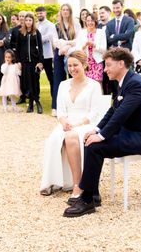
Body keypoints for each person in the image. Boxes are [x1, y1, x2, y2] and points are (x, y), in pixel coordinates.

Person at [62, 48, 141, 217]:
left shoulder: (135, 84)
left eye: (108, 65)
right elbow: (112, 111)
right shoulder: (125, 81)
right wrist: (96, 129)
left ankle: (87, 199)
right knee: (90, 140)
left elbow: (121, 116)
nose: (105, 69)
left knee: (95, 146)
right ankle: (92, 193)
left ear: (121, 64)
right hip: (131, 133)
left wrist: (101, 136)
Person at [41, 51, 103, 197]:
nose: (72, 69)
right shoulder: (63, 85)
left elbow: (94, 113)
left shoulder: (94, 85)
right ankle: (54, 180)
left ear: (84, 65)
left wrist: (77, 124)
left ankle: (78, 183)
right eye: (69, 66)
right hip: (67, 122)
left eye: (75, 65)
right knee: (53, 140)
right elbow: (61, 111)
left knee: (70, 137)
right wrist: (64, 122)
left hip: (86, 123)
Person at [53, 4, 79, 113]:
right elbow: (55, 41)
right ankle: (56, 107)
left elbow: (77, 40)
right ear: (61, 11)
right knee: (58, 80)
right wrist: (65, 45)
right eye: (63, 10)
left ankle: (73, 106)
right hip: (59, 54)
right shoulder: (56, 25)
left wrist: (67, 45)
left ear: (70, 11)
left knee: (73, 79)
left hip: (72, 54)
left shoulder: (76, 25)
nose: (65, 12)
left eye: (67, 10)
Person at [18, 12, 44, 113]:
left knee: (35, 82)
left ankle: (37, 102)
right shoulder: (21, 33)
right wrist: (19, 61)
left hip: (35, 62)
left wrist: (40, 61)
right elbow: (19, 48)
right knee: (27, 83)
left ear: (32, 21)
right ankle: (31, 104)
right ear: (24, 21)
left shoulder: (36, 32)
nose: (28, 22)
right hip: (25, 62)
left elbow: (40, 48)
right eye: (26, 20)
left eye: (30, 20)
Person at [73, 13, 107, 82]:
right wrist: (85, 45)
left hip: (97, 62)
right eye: (88, 21)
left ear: (95, 21)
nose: (90, 22)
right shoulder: (81, 32)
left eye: (92, 20)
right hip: (85, 62)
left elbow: (104, 49)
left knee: (98, 83)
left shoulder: (101, 32)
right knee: (85, 83)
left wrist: (94, 45)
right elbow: (77, 49)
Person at [36, 6, 58, 103]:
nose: (40, 14)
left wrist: (36, 40)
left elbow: (48, 37)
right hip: (37, 55)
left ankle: (54, 99)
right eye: (38, 13)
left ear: (45, 13)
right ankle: (36, 98)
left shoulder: (50, 25)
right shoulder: (35, 24)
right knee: (35, 78)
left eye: (41, 13)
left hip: (47, 55)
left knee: (51, 78)